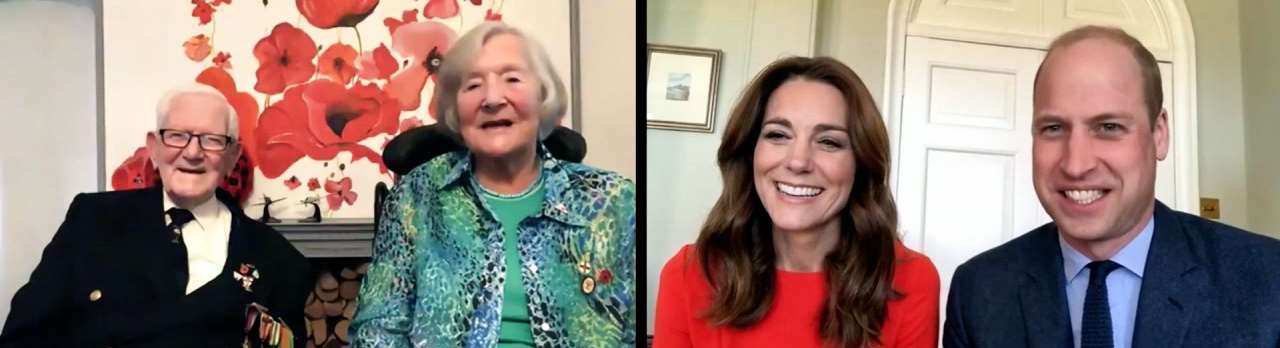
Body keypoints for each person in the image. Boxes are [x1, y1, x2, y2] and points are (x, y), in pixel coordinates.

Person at [943, 25, 1280, 348]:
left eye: (1108, 127)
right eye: (1053, 128)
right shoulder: (978, 291)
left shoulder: (1267, 280)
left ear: (1159, 134)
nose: (1076, 165)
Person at [349, 22, 636, 347]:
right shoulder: (415, 197)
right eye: (472, 86)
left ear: (543, 96)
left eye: (512, 79)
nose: (492, 98)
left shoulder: (613, 201)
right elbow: (376, 331)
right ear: (455, 108)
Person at [653, 56, 941, 348]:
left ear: (861, 162)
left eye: (829, 141)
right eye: (778, 135)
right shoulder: (688, 274)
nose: (798, 161)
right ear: (750, 151)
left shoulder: (912, 279)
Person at [0, 83, 312, 347]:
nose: (192, 153)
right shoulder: (92, 221)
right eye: (177, 135)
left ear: (232, 157)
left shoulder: (279, 261)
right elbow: (23, 336)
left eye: (212, 140)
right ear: (154, 146)